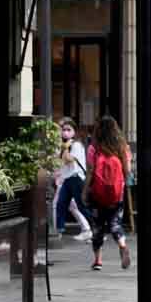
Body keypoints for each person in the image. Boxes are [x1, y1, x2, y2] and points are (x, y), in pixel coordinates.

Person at [85, 116, 133, 271]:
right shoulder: (122, 146)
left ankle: (98, 260)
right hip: (116, 194)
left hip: (97, 193)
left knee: (97, 227)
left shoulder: (94, 148)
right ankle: (122, 245)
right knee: (115, 223)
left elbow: (91, 172)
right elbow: (127, 171)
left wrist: (85, 190)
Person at [55, 118, 92, 241]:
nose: (65, 132)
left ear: (74, 132)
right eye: (63, 130)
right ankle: (59, 231)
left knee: (81, 206)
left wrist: (65, 148)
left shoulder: (76, 145)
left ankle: (95, 228)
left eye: (68, 130)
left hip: (76, 179)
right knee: (60, 204)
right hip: (67, 179)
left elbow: (68, 159)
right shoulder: (64, 145)